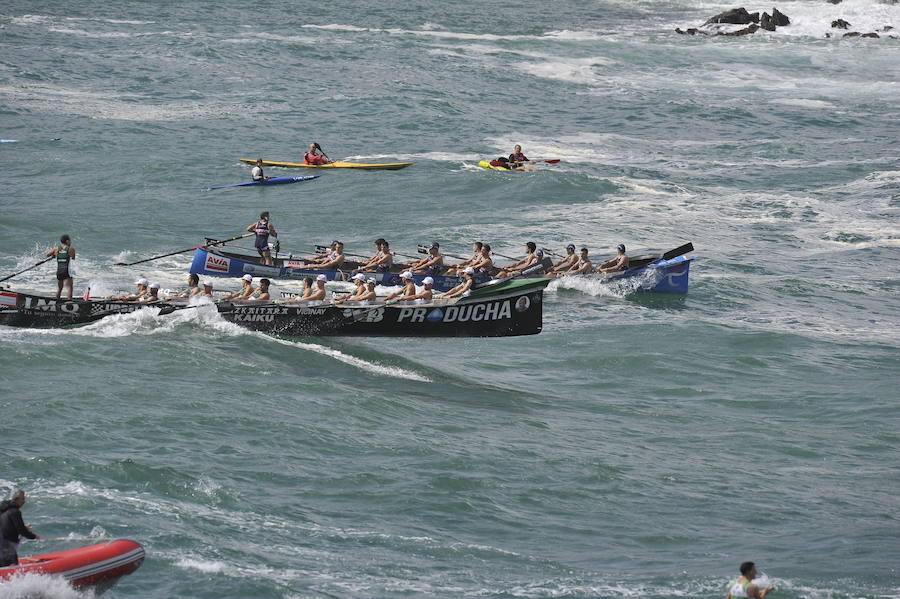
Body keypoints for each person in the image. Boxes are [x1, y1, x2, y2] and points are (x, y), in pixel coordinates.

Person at [0, 489, 39, 567]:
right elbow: (21, 530)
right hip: (8, 545)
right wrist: (34, 536)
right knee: (12, 567)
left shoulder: (3, 510)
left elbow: (5, 525)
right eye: (23, 499)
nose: (24, 501)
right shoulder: (15, 511)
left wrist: (23, 527)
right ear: (17, 499)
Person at [45, 234, 75, 299]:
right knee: (69, 287)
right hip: (66, 271)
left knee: (59, 288)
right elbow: (73, 257)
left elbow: (47, 254)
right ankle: (69, 302)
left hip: (59, 271)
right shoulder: (71, 249)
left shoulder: (56, 249)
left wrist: (54, 255)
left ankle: (57, 301)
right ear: (67, 241)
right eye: (70, 241)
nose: (70, 242)